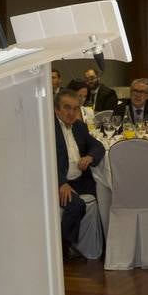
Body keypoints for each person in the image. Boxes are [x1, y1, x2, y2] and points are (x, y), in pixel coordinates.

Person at [53, 88, 106, 253]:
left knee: (106, 195)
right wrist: (60, 183)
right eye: (66, 107)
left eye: (75, 108)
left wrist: (90, 157)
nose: (71, 112)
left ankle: (102, 246)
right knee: (76, 205)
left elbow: (98, 146)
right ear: (56, 109)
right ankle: (62, 247)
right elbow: (43, 161)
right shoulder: (48, 129)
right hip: (59, 181)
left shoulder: (79, 127)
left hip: (80, 181)